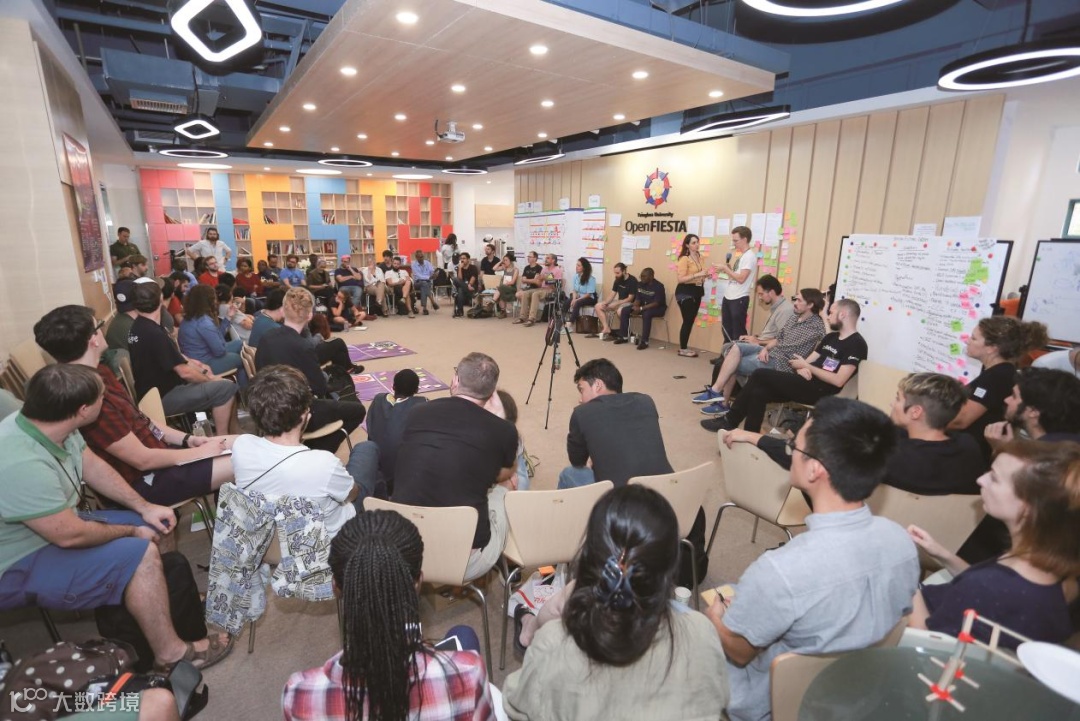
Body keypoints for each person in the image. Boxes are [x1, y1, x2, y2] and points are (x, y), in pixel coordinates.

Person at [0, 364, 232, 671]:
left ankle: (165, 620)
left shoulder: (54, 423)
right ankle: (171, 653)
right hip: (19, 560)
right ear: (83, 410)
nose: (105, 400)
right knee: (141, 552)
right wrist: (131, 532)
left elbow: (94, 468)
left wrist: (144, 507)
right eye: (101, 398)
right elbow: (69, 535)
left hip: (55, 526)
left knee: (156, 524)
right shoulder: (19, 461)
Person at [707, 397, 919, 721]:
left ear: (815, 469)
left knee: (683, 617)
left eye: (793, 446)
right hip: (858, 693)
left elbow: (739, 651)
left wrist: (714, 619)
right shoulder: (901, 541)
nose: (790, 452)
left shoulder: (779, 571)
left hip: (774, 702)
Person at [502, 485, 729, 720]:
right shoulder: (703, 634)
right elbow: (717, 700)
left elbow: (515, 705)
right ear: (670, 568)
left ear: (588, 557)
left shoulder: (553, 645)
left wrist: (545, 621)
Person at [282, 511, 494, 721]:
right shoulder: (468, 674)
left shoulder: (298, 696)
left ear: (336, 588)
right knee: (464, 635)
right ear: (417, 583)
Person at [33, 305, 237, 507]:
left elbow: (142, 420)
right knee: (247, 459)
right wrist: (200, 452)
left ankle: (228, 509)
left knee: (244, 442)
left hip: (161, 456)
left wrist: (187, 439)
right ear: (93, 339)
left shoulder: (101, 372)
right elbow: (142, 460)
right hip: (144, 482)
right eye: (100, 326)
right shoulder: (88, 397)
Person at [907, 440, 1080, 650]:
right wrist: (941, 553)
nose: (980, 480)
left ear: (1028, 507)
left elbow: (924, 644)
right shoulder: (1058, 575)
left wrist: (907, 580)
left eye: (994, 478)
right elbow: (987, 595)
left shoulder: (987, 586)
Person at [393, 353, 517, 580]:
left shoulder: (417, 412)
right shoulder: (504, 429)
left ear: (455, 380)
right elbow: (507, 471)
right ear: (492, 393)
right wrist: (500, 420)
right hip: (464, 561)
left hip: (404, 549)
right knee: (507, 485)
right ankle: (504, 561)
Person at [232, 366, 374, 532]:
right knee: (367, 449)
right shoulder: (324, 463)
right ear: (306, 415)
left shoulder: (241, 447)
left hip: (273, 538)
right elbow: (352, 494)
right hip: (333, 537)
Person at [703, 298, 867, 433]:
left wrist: (808, 367)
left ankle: (730, 421)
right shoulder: (830, 338)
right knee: (758, 392)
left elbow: (839, 380)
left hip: (821, 391)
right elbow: (806, 362)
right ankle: (749, 437)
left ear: (843, 315)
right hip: (803, 381)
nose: (828, 317)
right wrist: (802, 368)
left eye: (830, 313)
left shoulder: (857, 344)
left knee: (760, 374)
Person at [255, 288, 367, 452]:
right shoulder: (303, 347)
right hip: (295, 413)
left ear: (283, 311)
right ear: (309, 316)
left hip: (265, 406)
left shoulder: (267, 337)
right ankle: (320, 450)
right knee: (357, 411)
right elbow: (319, 387)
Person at [127, 280, 239, 435]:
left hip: (152, 394)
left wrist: (200, 367)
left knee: (224, 385)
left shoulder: (139, 327)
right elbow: (185, 372)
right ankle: (223, 440)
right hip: (163, 397)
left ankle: (233, 434)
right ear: (161, 299)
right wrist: (209, 379)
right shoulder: (154, 333)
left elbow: (177, 356)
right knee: (226, 388)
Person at [694, 287, 825, 416]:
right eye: (795, 299)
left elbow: (829, 338)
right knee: (735, 347)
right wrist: (766, 349)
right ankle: (717, 392)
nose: (795, 303)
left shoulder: (817, 324)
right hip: (771, 351)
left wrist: (824, 312)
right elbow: (778, 339)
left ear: (810, 305)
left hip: (782, 362)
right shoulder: (794, 317)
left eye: (799, 300)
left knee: (732, 363)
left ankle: (722, 402)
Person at [559, 358, 672, 489]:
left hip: (619, 497)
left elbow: (577, 461)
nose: (580, 399)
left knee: (569, 473)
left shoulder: (582, 413)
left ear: (597, 385)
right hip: (667, 490)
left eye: (582, 390)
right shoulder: (645, 401)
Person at [949, 316, 1049, 460]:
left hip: (973, 454)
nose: (967, 341)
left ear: (992, 348)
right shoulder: (1000, 372)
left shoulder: (997, 376)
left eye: (974, 338)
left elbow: (961, 420)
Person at [694, 275, 793, 403]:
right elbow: (774, 334)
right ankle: (721, 395)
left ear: (772, 292)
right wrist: (755, 337)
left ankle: (722, 395)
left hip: (769, 351)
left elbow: (782, 339)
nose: (760, 297)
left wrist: (758, 341)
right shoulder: (778, 308)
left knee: (729, 358)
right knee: (728, 348)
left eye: (761, 294)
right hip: (762, 345)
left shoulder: (785, 310)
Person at [356, 369, 427, 497]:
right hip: (405, 478)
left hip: (375, 472)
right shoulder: (422, 404)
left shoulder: (378, 400)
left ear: (393, 386)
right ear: (417, 390)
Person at [984, 367, 1080, 452]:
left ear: (1033, 411)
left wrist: (1002, 450)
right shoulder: (1069, 447)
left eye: (1014, 396)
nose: (1006, 400)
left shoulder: (1040, 458)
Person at [177, 284, 244, 378]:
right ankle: (244, 384)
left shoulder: (189, 318)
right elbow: (220, 351)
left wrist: (228, 316)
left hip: (199, 357)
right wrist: (223, 345)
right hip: (204, 363)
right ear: (209, 301)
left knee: (239, 343)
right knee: (240, 358)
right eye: (214, 298)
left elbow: (216, 337)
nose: (216, 301)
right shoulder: (204, 323)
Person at [715, 226, 757, 342]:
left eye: (736, 240)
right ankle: (726, 351)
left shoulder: (749, 256)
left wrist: (726, 269)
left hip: (739, 298)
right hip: (729, 296)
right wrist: (728, 270)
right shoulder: (742, 256)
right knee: (726, 329)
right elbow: (735, 277)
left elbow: (742, 279)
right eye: (733, 240)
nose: (734, 243)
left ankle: (738, 353)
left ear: (745, 239)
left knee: (738, 331)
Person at [674, 233, 711, 357]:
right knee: (688, 320)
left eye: (697, 242)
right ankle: (683, 349)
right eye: (693, 243)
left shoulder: (700, 257)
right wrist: (697, 275)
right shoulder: (684, 259)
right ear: (687, 245)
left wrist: (706, 275)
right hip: (685, 292)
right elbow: (681, 279)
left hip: (697, 291)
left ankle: (684, 348)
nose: (697, 245)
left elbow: (701, 274)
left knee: (690, 321)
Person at [615, 267, 666, 350]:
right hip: (643, 306)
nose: (642, 278)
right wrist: (635, 306)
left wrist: (641, 308)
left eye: (644, 276)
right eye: (641, 276)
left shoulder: (659, 286)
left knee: (646, 314)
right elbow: (638, 298)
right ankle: (624, 337)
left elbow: (656, 303)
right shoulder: (640, 284)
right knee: (625, 310)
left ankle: (644, 342)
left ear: (651, 276)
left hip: (658, 308)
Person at [592, 262, 636, 340]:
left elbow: (630, 298)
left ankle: (625, 332)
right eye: (615, 273)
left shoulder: (632, 280)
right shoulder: (617, 280)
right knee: (598, 306)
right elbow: (612, 294)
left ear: (624, 271)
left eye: (618, 273)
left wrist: (616, 303)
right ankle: (606, 328)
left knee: (620, 311)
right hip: (619, 301)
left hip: (629, 303)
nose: (616, 275)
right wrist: (606, 302)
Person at [516, 253, 562, 328]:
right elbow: (539, 284)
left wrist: (546, 278)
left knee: (535, 294)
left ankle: (531, 318)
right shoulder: (544, 269)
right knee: (525, 293)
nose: (546, 260)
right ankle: (522, 317)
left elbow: (556, 286)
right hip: (541, 288)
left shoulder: (557, 270)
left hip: (550, 290)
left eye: (548, 258)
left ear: (553, 260)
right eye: (546, 258)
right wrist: (537, 279)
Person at [563, 257, 598, 330]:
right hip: (579, 296)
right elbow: (574, 290)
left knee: (577, 303)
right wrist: (574, 299)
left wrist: (576, 300)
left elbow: (589, 294)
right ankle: (561, 320)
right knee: (567, 301)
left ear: (584, 268)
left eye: (579, 265)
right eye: (576, 265)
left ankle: (570, 324)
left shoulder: (591, 279)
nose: (576, 267)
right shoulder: (575, 276)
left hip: (590, 298)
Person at [515, 251, 544, 322]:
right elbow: (523, 280)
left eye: (530, 257)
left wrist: (527, 280)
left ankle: (529, 313)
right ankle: (527, 312)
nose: (528, 258)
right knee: (518, 294)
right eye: (528, 256)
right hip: (527, 287)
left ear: (535, 258)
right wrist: (531, 280)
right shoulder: (526, 267)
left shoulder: (539, 268)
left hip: (536, 288)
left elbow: (536, 281)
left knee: (524, 294)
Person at [410, 249, 438, 314]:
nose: (422, 258)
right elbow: (419, 276)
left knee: (424, 285)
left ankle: (425, 309)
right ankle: (432, 301)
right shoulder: (413, 264)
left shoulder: (427, 263)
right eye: (420, 257)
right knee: (424, 283)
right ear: (416, 257)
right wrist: (428, 277)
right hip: (417, 283)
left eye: (422, 256)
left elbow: (431, 271)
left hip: (427, 283)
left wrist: (434, 274)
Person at [452, 252, 479, 318]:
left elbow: (473, 278)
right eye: (461, 258)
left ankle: (459, 311)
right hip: (464, 288)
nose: (462, 260)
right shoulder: (459, 268)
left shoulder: (473, 267)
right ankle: (460, 311)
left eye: (464, 258)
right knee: (460, 288)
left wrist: (469, 285)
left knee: (456, 282)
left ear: (468, 259)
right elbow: (460, 279)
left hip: (472, 288)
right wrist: (460, 269)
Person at [494, 253, 520, 319]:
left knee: (500, 288)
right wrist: (500, 261)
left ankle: (493, 301)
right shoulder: (504, 268)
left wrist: (504, 285)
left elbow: (513, 282)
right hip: (504, 288)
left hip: (511, 288)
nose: (504, 262)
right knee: (501, 290)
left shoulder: (515, 270)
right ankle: (503, 311)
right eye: (504, 260)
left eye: (506, 260)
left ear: (510, 261)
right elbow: (494, 268)